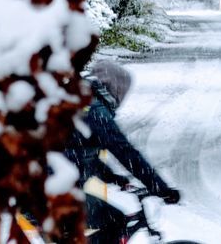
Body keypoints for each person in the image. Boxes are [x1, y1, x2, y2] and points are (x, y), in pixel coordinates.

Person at [65, 59, 181, 243]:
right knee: (114, 221)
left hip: (45, 189)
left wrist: (114, 178)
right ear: (115, 88)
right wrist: (159, 187)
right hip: (50, 194)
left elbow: (81, 155)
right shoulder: (95, 111)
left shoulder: (79, 104)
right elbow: (126, 152)